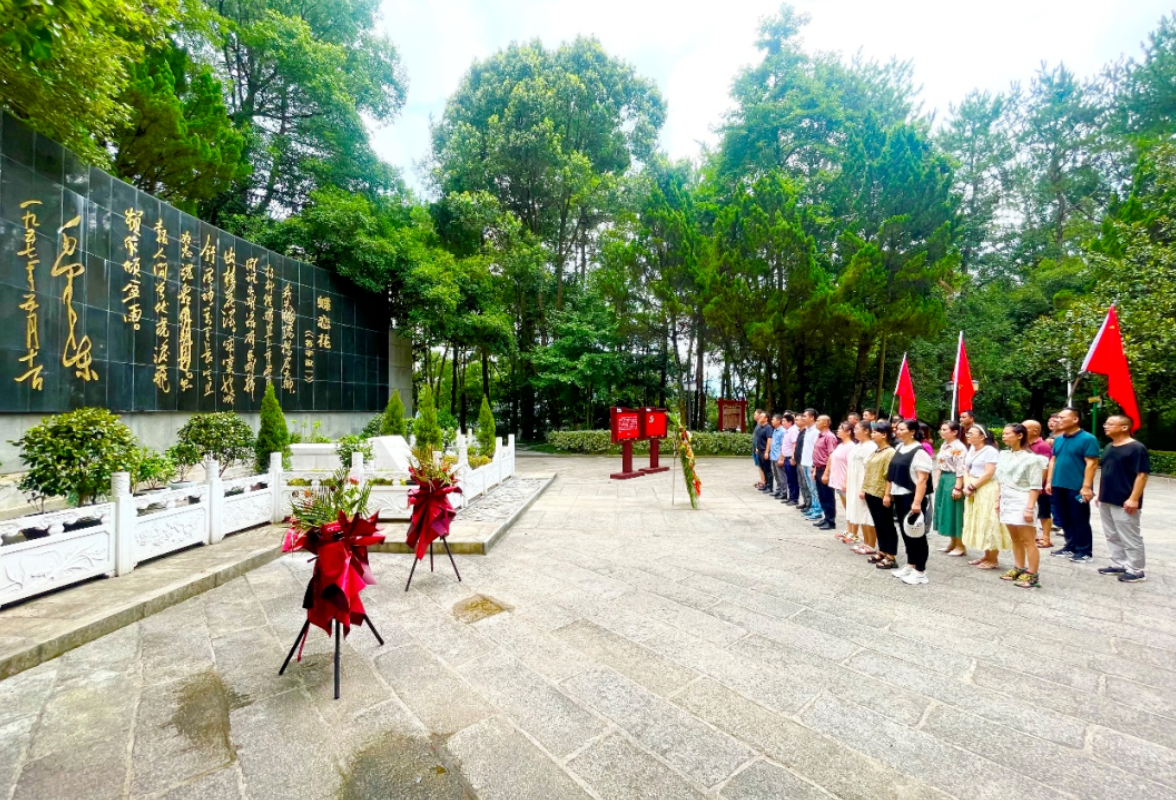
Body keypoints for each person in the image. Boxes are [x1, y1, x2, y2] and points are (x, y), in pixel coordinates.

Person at [1096, 414, 1150, 583]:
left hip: (1125, 500)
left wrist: (1134, 498)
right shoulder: (1109, 446)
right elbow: (1106, 472)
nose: (1106, 426)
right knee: (1111, 534)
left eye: (1111, 424)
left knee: (1130, 535)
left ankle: (1136, 569)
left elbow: (1142, 475)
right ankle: (1118, 563)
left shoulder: (1136, 448)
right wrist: (1100, 494)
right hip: (1107, 498)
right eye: (1106, 423)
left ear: (1124, 427)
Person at [1046, 407, 1100, 563]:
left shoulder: (1088, 439)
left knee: (1080, 519)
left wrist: (1086, 486)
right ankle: (1070, 546)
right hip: (1058, 484)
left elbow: (1092, 463)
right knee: (1064, 517)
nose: (1058, 421)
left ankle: (1084, 551)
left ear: (1075, 419)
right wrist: (1050, 481)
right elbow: (1053, 460)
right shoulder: (1059, 439)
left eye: (1063, 418)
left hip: (1076, 486)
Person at [995, 423, 1046, 589]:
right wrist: (998, 500)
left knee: (1028, 539)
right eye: (1003, 433)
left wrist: (1030, 507)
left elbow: (1035, 485)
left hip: (1023, 498)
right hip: (1007, 498)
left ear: (1019, 435)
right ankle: (1018, 566)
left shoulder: (1031, 459)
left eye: (1008, 433)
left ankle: (1032, 573)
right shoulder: (1004, 455)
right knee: (1014, 537)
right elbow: (1001, 480)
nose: (1004, 436)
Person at [888, 419, 934, 585]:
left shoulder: (920, 452)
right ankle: (910, 564)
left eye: (902, 429)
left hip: (912, 496)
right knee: (906, 531)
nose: (898, 431)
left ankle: (920, 570)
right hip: (899, 495)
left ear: (912, 431)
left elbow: (922, 480)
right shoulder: (900, 447)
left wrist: (916, 503)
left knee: (916, 534)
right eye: (897, 429)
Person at [961, 424, 1008, 569]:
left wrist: (972, 486)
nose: (968, 435)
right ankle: (986, 554)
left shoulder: (990, 451)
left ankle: (993, 558)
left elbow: (989, 473)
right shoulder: (971, 450)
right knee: (979, 520)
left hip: (987, 488)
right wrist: (967, 485)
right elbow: (966, 469)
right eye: (967, 433)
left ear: (982, 436)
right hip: (973, 487)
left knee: (990, 521)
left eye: (972, 433)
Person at [862, 421, 898, 569]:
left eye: (875, 432)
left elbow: (890, 475)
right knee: (878, 523)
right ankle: (882, 550)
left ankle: (891, 555)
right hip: (871, 491)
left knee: (887, 524)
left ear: (884, 434)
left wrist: (888, 495)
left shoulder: (890, 452)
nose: (872, 434)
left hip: (881, 492)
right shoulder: (876, 451)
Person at [933, 421, 967, 556]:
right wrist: (937, 481)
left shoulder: (959, 447)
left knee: (955, 512)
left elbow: (960, 468)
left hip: (953, 479)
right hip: (944, 478)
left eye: (945, 429)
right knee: (945, 510)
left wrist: (958, 487)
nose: (942, 432)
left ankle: (960, 545)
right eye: (941, 429)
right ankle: (952, 542)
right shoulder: (944, 445)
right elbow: (939, 464)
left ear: (954, 432)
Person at [846, 420, 878, 555]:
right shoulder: (858, 445)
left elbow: (869, 469)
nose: (854, 431)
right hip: (854, 482)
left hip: (863, 483)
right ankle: (865, 542)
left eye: (857, 428)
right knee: (859, 512)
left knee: (867, 514)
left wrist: (864, 487)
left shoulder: (871, 446)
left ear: (866, 431)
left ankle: (871, 544)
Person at [1023, 420, 1055, 549]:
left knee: (1044, 512)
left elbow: (1045, 466)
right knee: (1032, 510)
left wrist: (1039, 484)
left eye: (1024, 428)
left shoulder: (1042, 446)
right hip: (1026, 484)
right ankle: (1034, 535)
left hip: (1039, 486)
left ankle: (1046, 537)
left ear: (1035, 431)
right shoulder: (1024, 445)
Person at [825, 421, 855, 540]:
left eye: (841, 429)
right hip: (838, 480)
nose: (838, 430)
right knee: (846, 508)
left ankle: (853, 534)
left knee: (851, 508)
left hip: (845, 481)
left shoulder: (851, 446)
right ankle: (848, 531)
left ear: (848, 432)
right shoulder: (841, 444)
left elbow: (850, 466)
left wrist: (846, 481)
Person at [811, 414, 839, 530]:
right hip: (818, 468)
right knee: (821, 495)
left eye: (818, 421)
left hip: (825, 469)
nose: (816, 422)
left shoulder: (829, 437)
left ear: (825, 423)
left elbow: (831, 455)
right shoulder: (819, 435)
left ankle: (831, 521)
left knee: (828, 496)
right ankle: (826, 517)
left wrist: (826, 473)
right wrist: (815, 470)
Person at [799, 409, 822, 521]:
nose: (803, 418)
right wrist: (803, 462)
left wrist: (814, 465)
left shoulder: (816, 431)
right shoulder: (807, 430)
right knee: (810, 488)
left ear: (812, 417)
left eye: (805, 416)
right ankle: (813, 507)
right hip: (806, 463)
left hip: (812, 464)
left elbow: (816, 450)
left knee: (814, 488)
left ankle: (817, 511)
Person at [792, 413, 812, 512]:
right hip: (799, 460)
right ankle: (805, 501)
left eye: (797, 420)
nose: (795, 422)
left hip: (805, 462)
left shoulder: (807, 432)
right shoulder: (801, 432)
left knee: (806, 483)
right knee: (801, 483)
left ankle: (810, 504)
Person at [781, 412, 800, 504]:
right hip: (786, 457)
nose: (782, 423)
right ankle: (791, 497)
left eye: (784, 421)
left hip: (790, 458)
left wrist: (793, 457)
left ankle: (794, 498)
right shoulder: (787, 431)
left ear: (790, 422)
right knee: (789, 479)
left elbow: (794, 444)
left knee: (793, 479)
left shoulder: (793, 431)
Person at [769, 414, 787, 499]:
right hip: (773, 456)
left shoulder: (782, 431)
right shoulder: (775, 430)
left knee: (782, 476)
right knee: (776, 475)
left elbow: (783, 445)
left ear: (779, 421)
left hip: (778, 456)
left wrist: (781, 458)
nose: (772, 421)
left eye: (773, 419)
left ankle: (784, 492)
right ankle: (778, 489)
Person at [751, 410, 770, 491]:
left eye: (755, 414)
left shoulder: (763, 427)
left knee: (762, 467)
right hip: (756, 449)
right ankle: (763, 481)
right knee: (759, 466)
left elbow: (765, 439)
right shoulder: (759, 425)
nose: (754, 416)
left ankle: (764, 482)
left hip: (760, 449)